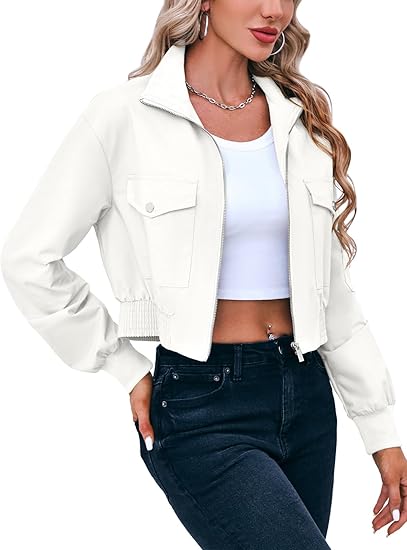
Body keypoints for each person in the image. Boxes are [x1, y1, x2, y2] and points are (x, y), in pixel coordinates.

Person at [2, 0, 406, 547]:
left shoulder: (297, 120)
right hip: (202, 405)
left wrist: (381, 433)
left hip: (307, 396)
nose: (275, 10)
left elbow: (332, 297)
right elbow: (29, 257)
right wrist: (124, 365)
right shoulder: (126, 116)